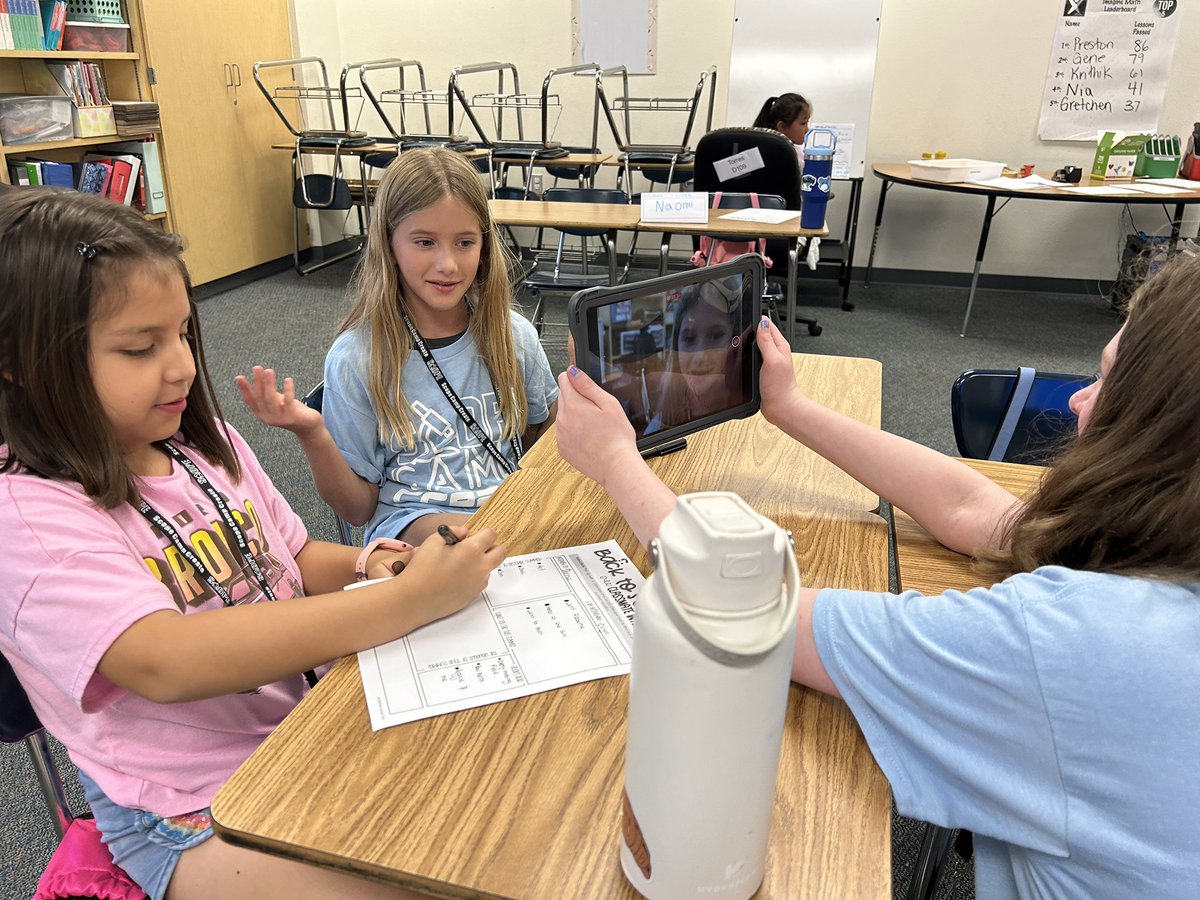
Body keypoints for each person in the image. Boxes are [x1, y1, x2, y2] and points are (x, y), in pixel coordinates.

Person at [553, 255, 1200, 898]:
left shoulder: (1076, 648)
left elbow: (739, 613)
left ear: (1157, 428)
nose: (1080, 399)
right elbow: (975, 510)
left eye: (1107, 380)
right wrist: (789, 407)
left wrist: (615, 461)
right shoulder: (1166, 542)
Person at [0, 190, 507, 900]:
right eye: (141, 348)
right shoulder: (27, 515)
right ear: (20, 362)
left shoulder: (201, 443)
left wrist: (375, 564)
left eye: (184, 334)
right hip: (185, 814)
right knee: (437, 879)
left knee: (495, 790)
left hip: (299, 728)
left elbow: (291, 560)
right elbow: (166, 660)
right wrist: (408, 600)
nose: (182, 366)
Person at [239, 147, 558, 545]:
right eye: (425, 242)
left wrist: (583, 392)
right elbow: (357, 509)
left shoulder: (513, 335)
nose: (448, 265)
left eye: (464, 243)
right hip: (413, 525)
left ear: (485, 246)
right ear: (389, 244)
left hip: (507, 512)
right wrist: (313, 434)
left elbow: (543, 443)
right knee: (464, 542)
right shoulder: (358, 358)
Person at [646, 278, 746, 434]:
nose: (700, 356)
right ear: (676, 345)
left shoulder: (750, 406)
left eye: (715, 336)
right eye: (689, 339)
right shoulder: (664, 418)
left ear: (736, 338)